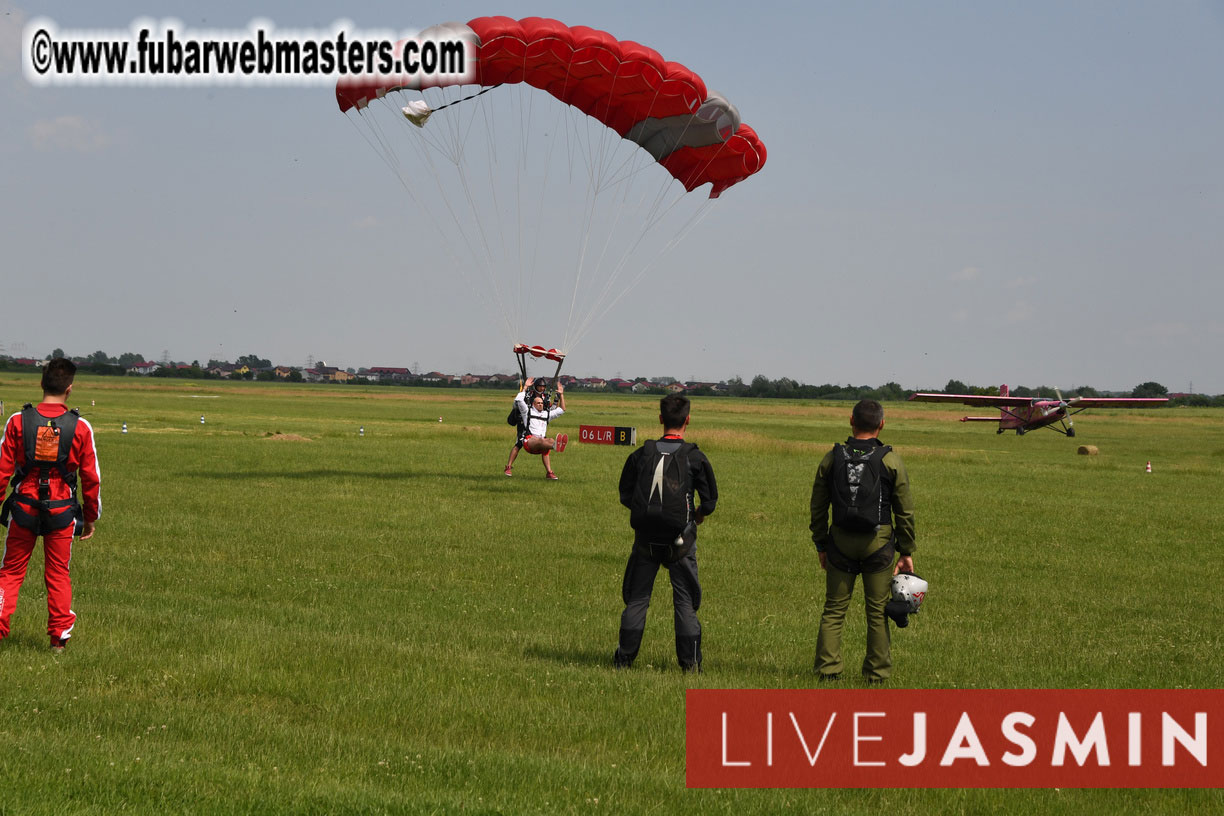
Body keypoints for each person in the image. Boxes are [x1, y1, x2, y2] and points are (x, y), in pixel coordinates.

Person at [809, 398, 915, 684]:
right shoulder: (891, 460)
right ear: (882, 424)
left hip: (840, 542)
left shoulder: (832, 457)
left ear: (851, 421)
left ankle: (828, 670)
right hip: (878, 544)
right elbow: (904, 511)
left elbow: (818, 506)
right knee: (877, 612)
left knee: (834, 610)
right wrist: (906, 551)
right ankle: (876, 674)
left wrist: (821, 544)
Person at [0, 358, 101, 652]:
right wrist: (90, 517)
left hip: (23, 507)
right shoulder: (81, 427)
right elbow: (91, 478)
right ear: (69, 389)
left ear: (41, 384)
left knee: (10, 571)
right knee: (58, 573)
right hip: (62, 510)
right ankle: (59, 639)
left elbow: (2, 470)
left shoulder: (17, 421)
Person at [614, 394, 717, 672]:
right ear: (688, 420)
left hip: (645, 540)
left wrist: (648, 515)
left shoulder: (642, 454)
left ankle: (624, 659)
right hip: (680, 542)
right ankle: (690, 665)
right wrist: (697, 515)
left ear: (661, 418)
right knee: (684, 602)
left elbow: (626, 494)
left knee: (638, 599)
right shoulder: (694, 456)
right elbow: (709, 502)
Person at [507, 377, 568, 480]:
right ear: (533, 404)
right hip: (529, 440)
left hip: (540, 438)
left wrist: (561, 395)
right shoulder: (527, 411)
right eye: (538, 403)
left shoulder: (546, 412)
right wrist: (525, 387)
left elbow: (561, 409)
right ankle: (508, 466)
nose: (540, 405)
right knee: (525, 443)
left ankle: (551, 466)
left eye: (541, 403)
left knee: (548, 440)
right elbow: (519, 401)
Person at [505, 377, 552, 476]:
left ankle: (549, 471)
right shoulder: (528, 394)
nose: (542, 389)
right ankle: (508, 466)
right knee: (519, 443)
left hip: (537, 423)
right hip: (524, 422)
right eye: (540, 387)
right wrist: (525, 388)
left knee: (544, 446)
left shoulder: (546, 397)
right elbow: (518, 403)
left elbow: (548, 410)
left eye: (543, 387)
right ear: (536, 387)